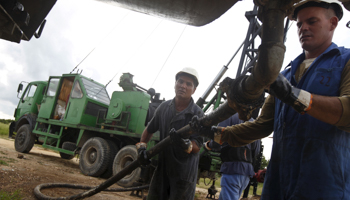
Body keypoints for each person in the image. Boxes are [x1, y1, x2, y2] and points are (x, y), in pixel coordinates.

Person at [205, 0, 350, 199]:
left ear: (333, 23)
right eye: (299, 24)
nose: (303, 28)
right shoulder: (285, 74)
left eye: (312, 21)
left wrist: (294, 96)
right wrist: (215, 133)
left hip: (324, 186)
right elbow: (261, 125)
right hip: (279, 185)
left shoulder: (345, 62)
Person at [136, 67, 204, 200]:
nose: (183, 86)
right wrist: (142, 146)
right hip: (162, 170)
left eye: (188, 84)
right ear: (175, 84)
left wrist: (186, 145)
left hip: (183, 174)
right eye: (180, 81)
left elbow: (198, 146)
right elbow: (149, 129)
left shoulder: (198, 114)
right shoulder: (163, 107)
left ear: (194, 90)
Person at [204, 113, 261, 200]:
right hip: (246, 173)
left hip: (232, 170)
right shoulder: (254, 123)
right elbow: (256, 151)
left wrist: (208, 145)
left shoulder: (228, 116)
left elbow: (218, 138)